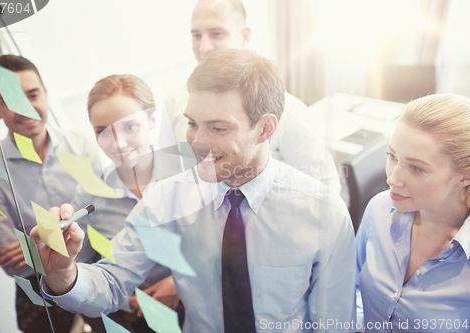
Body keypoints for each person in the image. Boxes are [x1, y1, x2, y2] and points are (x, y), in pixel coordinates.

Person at [32, 49, 356, 333]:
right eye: (191, 123)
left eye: (217, 127)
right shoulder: (167, 198)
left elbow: (332, 323)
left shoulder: (323, 213)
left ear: (265, 128)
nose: (196, 141)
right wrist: (65, 274)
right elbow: (113, 281)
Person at [0, 55, 100, 333]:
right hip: (39, 292)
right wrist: (74, 231)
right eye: (9, 99)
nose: (25, 108)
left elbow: (107, 224)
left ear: (45, 95)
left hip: (98, 273)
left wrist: (35, 242)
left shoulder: (82, 147)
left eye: (32, 94)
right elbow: (14, 264)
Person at [164, 0, 341, 191]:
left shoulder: (288, 110)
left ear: (245, 36)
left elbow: (325, 188)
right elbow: (167, 175)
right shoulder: (175, 102)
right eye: (196, 35)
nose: (204, 47)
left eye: (217, 34)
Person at [73, 74, 184, 332]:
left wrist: (178, 285)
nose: (118, 143)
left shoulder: (188, 174)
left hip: (200, 307)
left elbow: (223, 250)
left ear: (152, 120)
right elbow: (81, 266)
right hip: (135, 319)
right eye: (102, 131)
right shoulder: (89, 195)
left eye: (130, 127)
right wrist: (125, 300)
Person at [356, 94, 470, 333]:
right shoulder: (379, 209)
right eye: (392, 156)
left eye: (416, 168)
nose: (391, 178)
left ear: (465, 176)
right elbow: (351, 287)